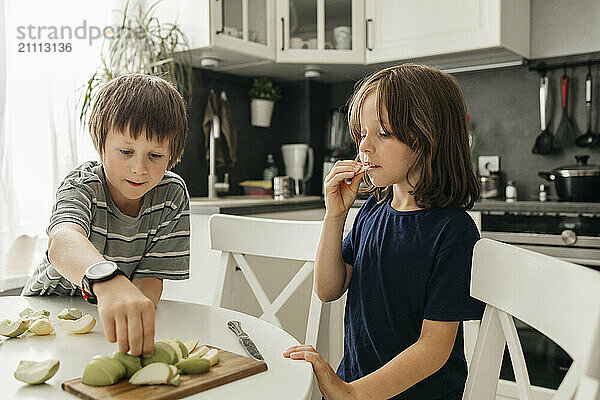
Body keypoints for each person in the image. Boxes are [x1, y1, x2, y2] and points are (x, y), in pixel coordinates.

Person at [283, 64, 483, 400]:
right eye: (362, 133)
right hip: (357, 385)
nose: (365, 147)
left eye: (384, 134)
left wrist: (352, 393)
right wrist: (335, 215)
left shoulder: (453, 232)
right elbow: (328, 288)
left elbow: (434, 348)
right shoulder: (372, 211)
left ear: (429, 137)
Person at [22, 74, 190, 359]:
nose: (139, 168)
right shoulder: (81, 185)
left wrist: (134, 316)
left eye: (155, 155)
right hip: (47, 316)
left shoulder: (171, 195)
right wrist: (106, 280)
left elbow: (150, 278)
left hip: (105, 326)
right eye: (126, 151)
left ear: (172, 155)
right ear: (101, 145)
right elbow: (63, 241)